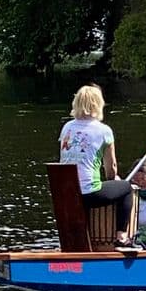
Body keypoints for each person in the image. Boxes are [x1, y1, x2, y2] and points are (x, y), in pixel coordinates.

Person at [58, 84, 134, 248]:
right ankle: (121, 237)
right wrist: (113, 180)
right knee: (126, 188)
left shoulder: (67, 128)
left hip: (67, 193)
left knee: (83, 195)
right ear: (98, 104)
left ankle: (80, 245)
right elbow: (111, 168)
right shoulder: (103, 131)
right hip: (89, 193)